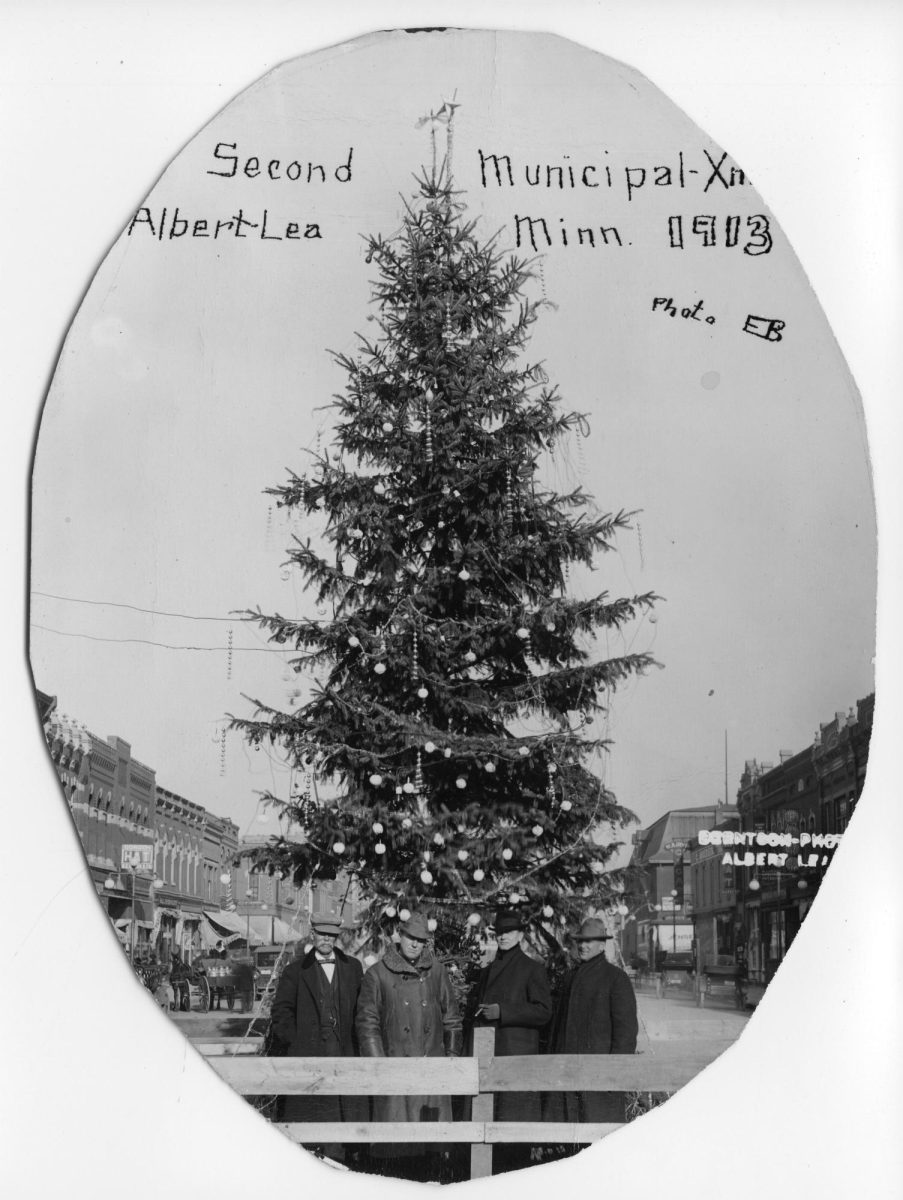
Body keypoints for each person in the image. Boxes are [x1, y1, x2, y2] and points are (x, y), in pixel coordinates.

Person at [356, 912, 463, 1178]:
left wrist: (450, 1060)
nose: (415, 944)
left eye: (421, 940)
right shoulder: (377, 974)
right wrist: (380, 1067)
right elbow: (367, 1024)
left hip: (432, 1072)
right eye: (410, 938)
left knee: (432, 1150)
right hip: (395, 1073)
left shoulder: (436, 972)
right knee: (397, 1151)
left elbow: (452, 1018)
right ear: (399, 937)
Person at [269, 915, 367, 1158]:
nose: (326, 939)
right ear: (312, 934)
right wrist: (295, 1043)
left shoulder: (353, 968)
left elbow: (364, 1010)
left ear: (337, 937)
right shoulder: (295, 971)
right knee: (310, 1110)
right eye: (321, 934)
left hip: (344, 1051)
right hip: (307, 1054)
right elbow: (281, 1012)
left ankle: (340, 1159)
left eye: (331, 935)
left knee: (341, 1107)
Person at [471, 910, 552, 1173]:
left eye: (508, 932)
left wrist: (503, 1012)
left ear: (519, 935)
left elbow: (543, 1012)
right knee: (490, 1126)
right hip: (491, 1056)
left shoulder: (532, 968)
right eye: (499, 932)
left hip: (516, 1059)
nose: (503, 937)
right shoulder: (490, 969)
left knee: (513, 1132)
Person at [546, 916, 638, 1125]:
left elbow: (625, 1036)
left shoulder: (616, 979)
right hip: (566, 1073)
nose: (583, 946)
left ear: (602, 944)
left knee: (599, 1137)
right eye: (580, 941)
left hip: (599, 1078)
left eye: (588, 941)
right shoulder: (570, 977)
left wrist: (612, 1075)